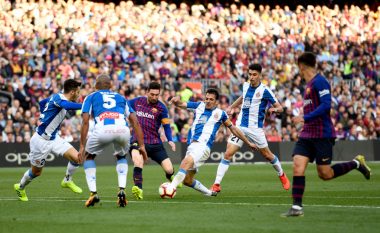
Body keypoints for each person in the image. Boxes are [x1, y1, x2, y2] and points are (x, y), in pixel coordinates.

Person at [282, 52, 371, 217]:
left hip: (322, 134)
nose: (298, 71)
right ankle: (296, 207)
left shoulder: (320, 82)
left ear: (302, 66)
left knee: (325, 174)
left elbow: (326, 105)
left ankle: (356, 163)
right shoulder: (308, 85)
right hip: (307, 134)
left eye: (298, 67)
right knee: (297, 166)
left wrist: (304, 117)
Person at [210, 64, 290, 193]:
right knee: (228, 153)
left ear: (260, 75)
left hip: (255, 129)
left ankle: (281, 174)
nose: (251, 77)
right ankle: (216, 184)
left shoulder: (265, 90)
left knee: (267, 155)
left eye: (254, 75)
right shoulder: (246, 85)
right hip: (240, 126)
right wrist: (231, 107)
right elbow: (243, 97)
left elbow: (280, 107)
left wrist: (274, 109)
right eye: (250, 74)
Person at [168, 88, 258, 196]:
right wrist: (176, 100)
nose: (208, 101)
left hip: (203, 146)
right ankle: (209, 193)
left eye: (211, 99)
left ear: (216, 102)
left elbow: (233, 129)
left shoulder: (220, 114)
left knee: (184, 163)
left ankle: (170, 189)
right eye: (206, 98)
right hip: (192, 146)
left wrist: (248, 142)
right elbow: (181, 104)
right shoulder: (199, 106)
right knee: (187, 180)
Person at [79, 74, 147, 207]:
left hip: (103, 130)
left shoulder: (91, 96)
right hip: (122, 130)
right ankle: (121, 191)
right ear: (110, 86)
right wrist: (142, 145)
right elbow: (135, 122)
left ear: (95, 85)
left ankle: (93, 193)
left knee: (88, 156)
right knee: (121, 156)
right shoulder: (121, 97)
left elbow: (85, 121)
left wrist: (82, 145)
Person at [14, 79, 83, 201]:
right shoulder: (59, 99)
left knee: (77, 158)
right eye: (78, 92)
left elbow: (41, 103)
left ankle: (67, 180)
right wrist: (85, 105)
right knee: (36, 173)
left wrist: (44, 115)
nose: (79, 94)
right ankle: (20, 187)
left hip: (54, 138)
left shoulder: (56, 97)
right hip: (40, 141)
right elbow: (67, 106)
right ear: (72, 92)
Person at [128, 82, 179, 200]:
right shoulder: (137, 101)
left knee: (169, 169)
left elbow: (166, 125)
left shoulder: (162, 108)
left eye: (157, 95)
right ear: (147, 92)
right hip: (138, 140)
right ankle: (138, 189)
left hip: (155, 142)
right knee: (138, 162)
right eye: (152, 94)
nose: (155, 97)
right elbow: (124, 104)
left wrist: (170, 140)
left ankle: (171, 176)